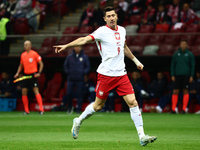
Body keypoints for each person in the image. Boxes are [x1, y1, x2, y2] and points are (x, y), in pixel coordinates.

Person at [54, 6, 157, 146]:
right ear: (104, 19)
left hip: (121, 74)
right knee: (97, 106)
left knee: (133, 102)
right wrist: (66, 45)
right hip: (106, 75)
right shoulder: (101, 31)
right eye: (108, 16)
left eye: (113, 15)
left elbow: (124, 47)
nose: (111, 18)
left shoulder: (122, 30)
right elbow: (84, 40)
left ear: (117, 16)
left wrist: (136, 61)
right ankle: (78, 120)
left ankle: (142, 136)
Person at [14, 40, 44, 115]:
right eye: (24, 45)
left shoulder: (34, 54)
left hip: (33, 75)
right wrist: (17, 73)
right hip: (26, 75)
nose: (25, 46)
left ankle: (41, 110)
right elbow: (21, 65)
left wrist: (39, 73)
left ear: (30, 46)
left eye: (27, 45)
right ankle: (26, 111)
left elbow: (41, 63)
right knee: (23, 91)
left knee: (36, 91)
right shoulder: (23, 55)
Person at [62, 46, 90, 114]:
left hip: (80, 79)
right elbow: (65, 66)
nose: (78, 48)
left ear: (81, 48)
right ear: (74, 48)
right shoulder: (70, 57)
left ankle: (78, 108)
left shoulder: (84, 57)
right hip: (71, 79)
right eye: (76, 47)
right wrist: (68, 72)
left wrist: (83, 73)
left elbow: (88, 67)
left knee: (79, 95)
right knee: (68, 93)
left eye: (79, 47)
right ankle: (70, 107)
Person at [171, 39, 195, 114]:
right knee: (175, 91)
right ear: (180, 45)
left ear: (187, 45)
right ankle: (173, 109)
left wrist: (191, 75)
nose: (183, 45)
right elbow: (172, 65)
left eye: (184, 44)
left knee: (185, 91)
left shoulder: (190, 54)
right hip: (177, 75)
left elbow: (192, 65)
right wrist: (172, 74)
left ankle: (184, 109)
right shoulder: (176, 54)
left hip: (186, 75)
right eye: (182, 44)